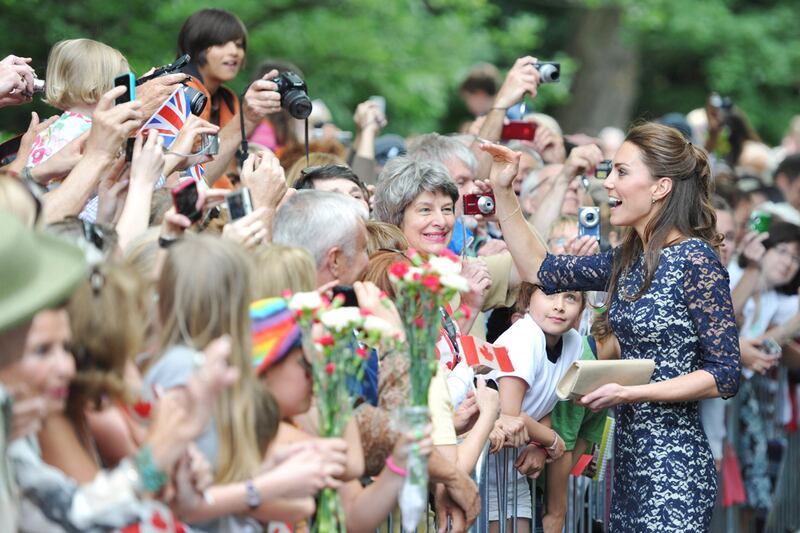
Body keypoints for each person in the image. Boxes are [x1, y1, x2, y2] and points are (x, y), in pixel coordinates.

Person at [480, 122, 741, 531]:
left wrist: (631, 392)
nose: (608, 183)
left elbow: (724, 374)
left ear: (660, 187)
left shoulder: (696, 259)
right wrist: (503, 190)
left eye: (621, 172)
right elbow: (539, 269)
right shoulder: (628, 259)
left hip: (674, 463)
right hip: (630, 464)